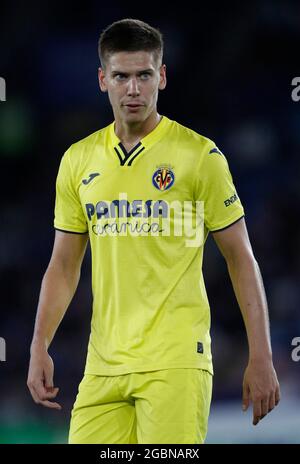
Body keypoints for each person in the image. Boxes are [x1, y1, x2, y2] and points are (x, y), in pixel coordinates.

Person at [27, 18, 280, 444]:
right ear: (102, 79)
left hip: (175, 361)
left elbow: (241, 257)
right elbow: (64, 264)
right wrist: (39, 343)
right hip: (103, 367)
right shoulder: (78, 160)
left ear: (161, 77)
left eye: (144, 75)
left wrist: (262, 356)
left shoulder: (199, 156)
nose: (133, 89)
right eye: (121, 76)